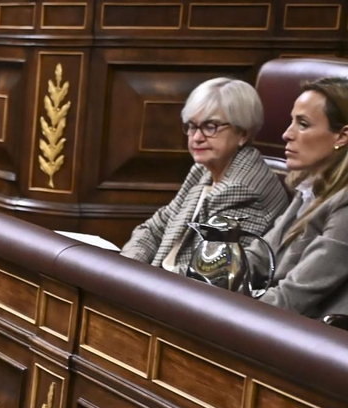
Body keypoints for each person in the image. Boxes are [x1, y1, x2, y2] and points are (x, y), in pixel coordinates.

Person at [121, 78, 287, 275]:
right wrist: (127, 268)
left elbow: (208, 273)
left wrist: (137, 280)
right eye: (192, 126)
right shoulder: (203, 170)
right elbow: (154, 228)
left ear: (242, 133)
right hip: (159, 280)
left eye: (210, 126)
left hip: (185, 289)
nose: (197, 137)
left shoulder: (243, 188)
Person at [252, 77, 348, 319]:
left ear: (342, 136)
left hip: (310, 334)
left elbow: (292, 298)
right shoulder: (310, 186)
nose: (287, 134)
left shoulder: (345, 204)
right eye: (291, 121)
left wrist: (225, 311)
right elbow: (259, 256)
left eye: (303, 124)